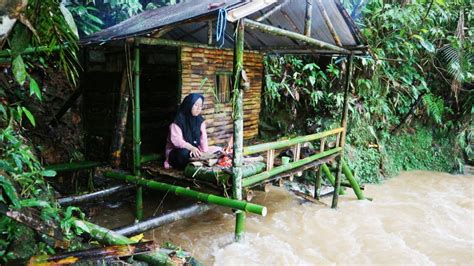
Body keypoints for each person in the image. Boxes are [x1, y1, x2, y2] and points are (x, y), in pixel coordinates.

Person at [164, 93, 209, 170]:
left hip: (193, 150)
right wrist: (191, 147)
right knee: (184, 154)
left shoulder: (200, 120)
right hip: (177, 151)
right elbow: (176, 141)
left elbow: (203, 138)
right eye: (196, 105)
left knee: (213, 151)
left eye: (200, 106)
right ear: (189, 104)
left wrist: (205, 154)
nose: (198, 108)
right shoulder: (178, 120)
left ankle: (194, 163)